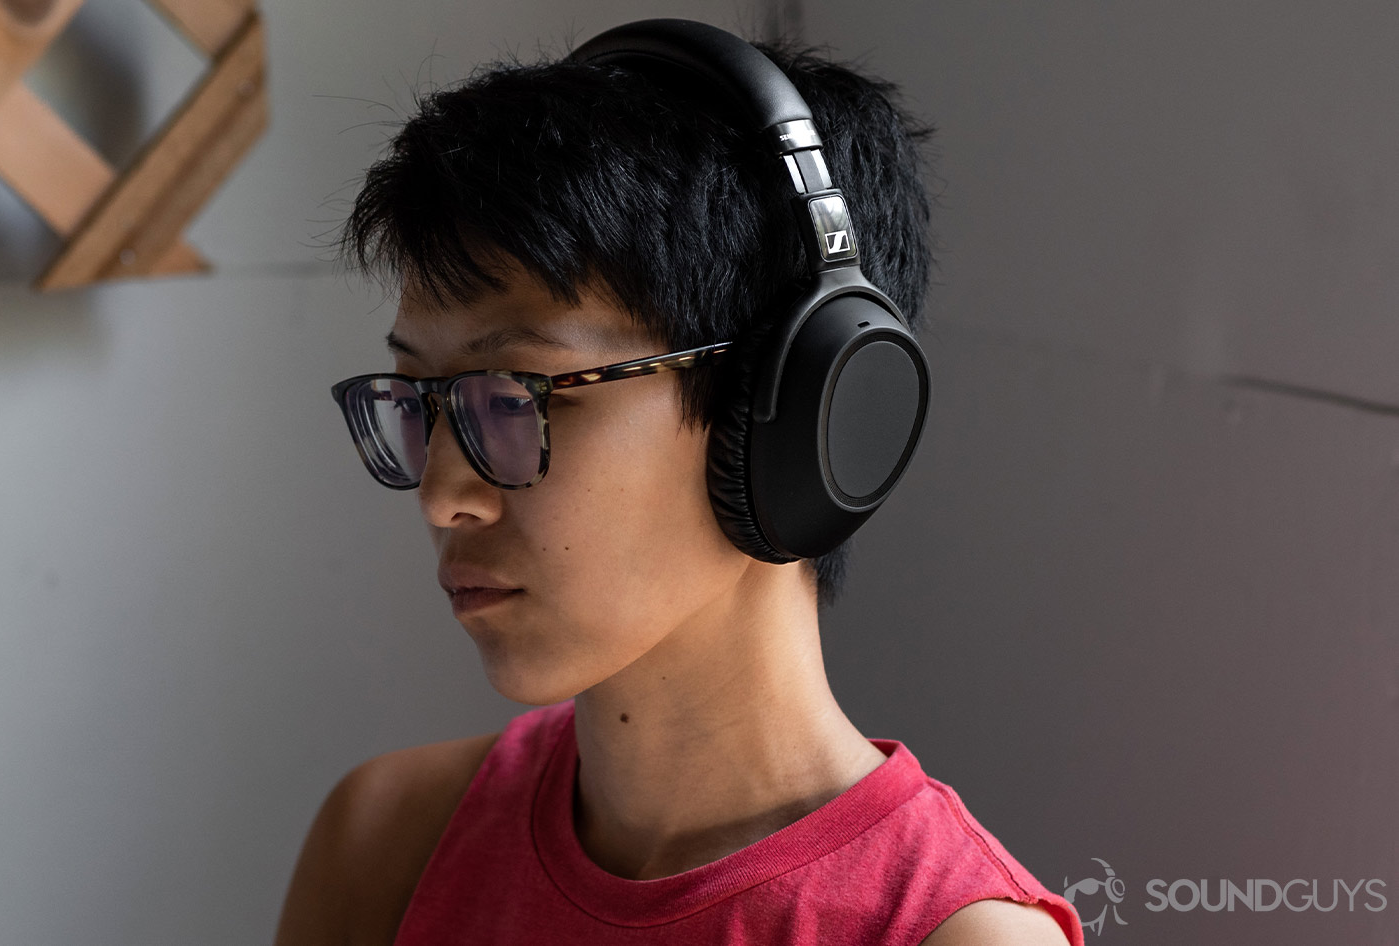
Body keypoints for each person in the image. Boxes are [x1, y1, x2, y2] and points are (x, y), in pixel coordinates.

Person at [275, 19, 1083, 946]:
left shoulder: (945, 935)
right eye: (423, 399)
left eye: (514, 397)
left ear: (784, 408)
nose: (441, 495)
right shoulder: (386, 840)